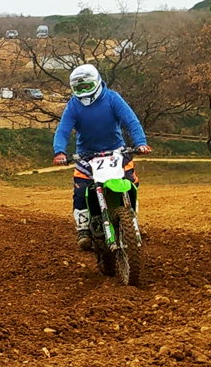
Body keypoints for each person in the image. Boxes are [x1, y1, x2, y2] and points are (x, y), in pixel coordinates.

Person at [52, 64, 151, 251]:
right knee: (80, 191)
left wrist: (140, 143)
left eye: (87, 87)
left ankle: (131, 218)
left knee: (131, 181)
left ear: (97, 83)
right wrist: (59, 151)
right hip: (86, 157)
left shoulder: (112, 99)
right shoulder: (73, 105)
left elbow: (131, 121)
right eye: (79, 88)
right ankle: (82, 229)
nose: (83, 91)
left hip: (117, 152)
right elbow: (63, 130)